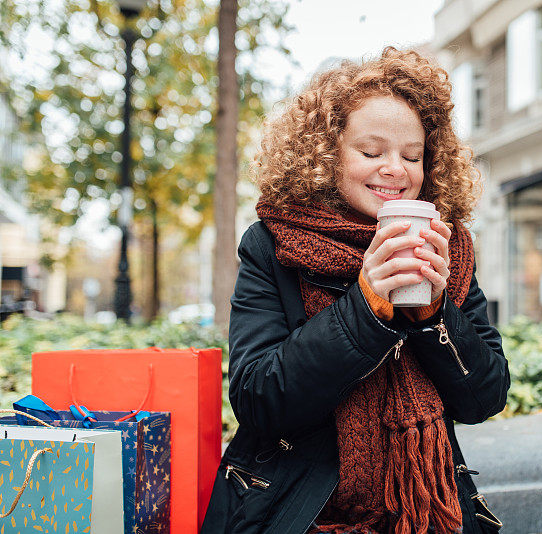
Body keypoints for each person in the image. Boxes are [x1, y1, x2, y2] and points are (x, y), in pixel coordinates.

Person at [201, 46, 509, 534]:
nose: (396, 169)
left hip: (430, 514)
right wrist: (366, 307)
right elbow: (258, 398)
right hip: (302, 515)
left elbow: (485, 397)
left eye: (413, 155)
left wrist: (434, 314)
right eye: (372, 152)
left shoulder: (451, 248)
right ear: (327, 156)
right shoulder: (272, 244)